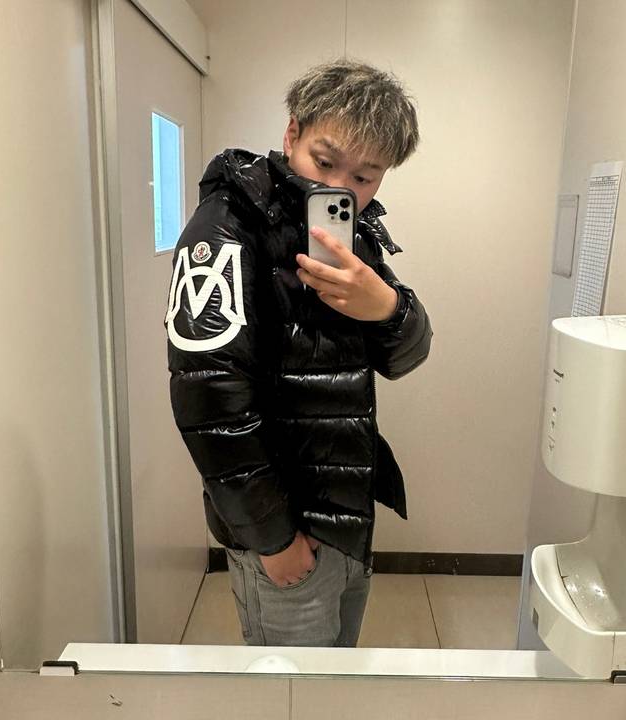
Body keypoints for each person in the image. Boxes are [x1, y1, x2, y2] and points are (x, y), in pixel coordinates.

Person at [165, 58, 432, 647]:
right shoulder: (226, 227)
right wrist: (274, 540)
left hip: (348, 517)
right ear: (292, 135)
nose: (341, 188)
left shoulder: (354, 232)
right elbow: (209, 402)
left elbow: (405, 358)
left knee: (334, 678)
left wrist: (387, 307)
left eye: (365, 176)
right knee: (289, 689)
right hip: (286, 533)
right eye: (325, 161)